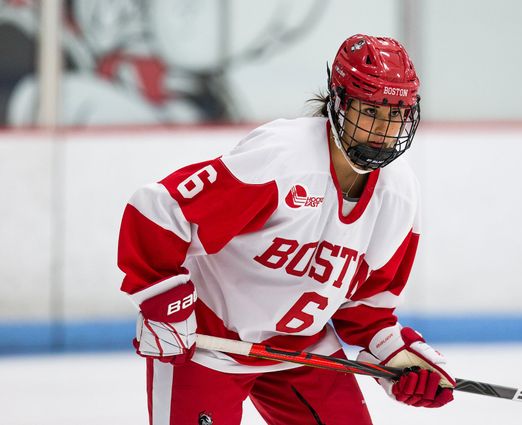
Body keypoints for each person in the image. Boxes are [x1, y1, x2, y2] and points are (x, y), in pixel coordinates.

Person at [118, 33, 455, 425]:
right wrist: (164, 301)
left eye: (395, 115)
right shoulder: (281, 161)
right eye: (370, 111)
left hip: (301, 350)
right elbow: (158, 210)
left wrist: (395, 352)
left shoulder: (399, 194)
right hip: (210, 342)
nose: (383, 130)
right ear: (339, 103)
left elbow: (367, 308)